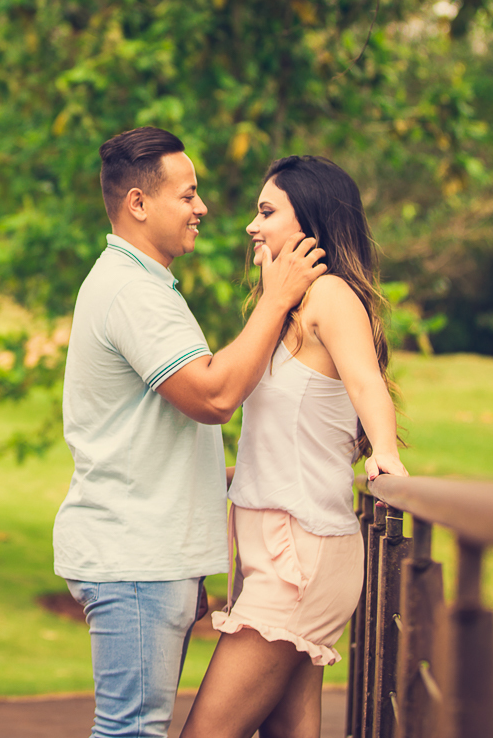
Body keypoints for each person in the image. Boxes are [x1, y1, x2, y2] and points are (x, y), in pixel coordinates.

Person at [53, 127, 327, 738]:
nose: (202, 208)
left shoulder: (146, 286)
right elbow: (213, 395)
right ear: (139, 204)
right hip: (135, 556)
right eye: (189, 194)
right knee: (131, 731)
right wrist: (277, 298)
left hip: (151, 555)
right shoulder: (130, 290)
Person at [180, 156, 409, 738]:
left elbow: (366, 384)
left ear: (311, 223)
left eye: (266, 212)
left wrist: (384, 450)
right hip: (270, 552)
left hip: (300, 554)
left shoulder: (329, 296)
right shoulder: (280, 311)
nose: (252, 227)